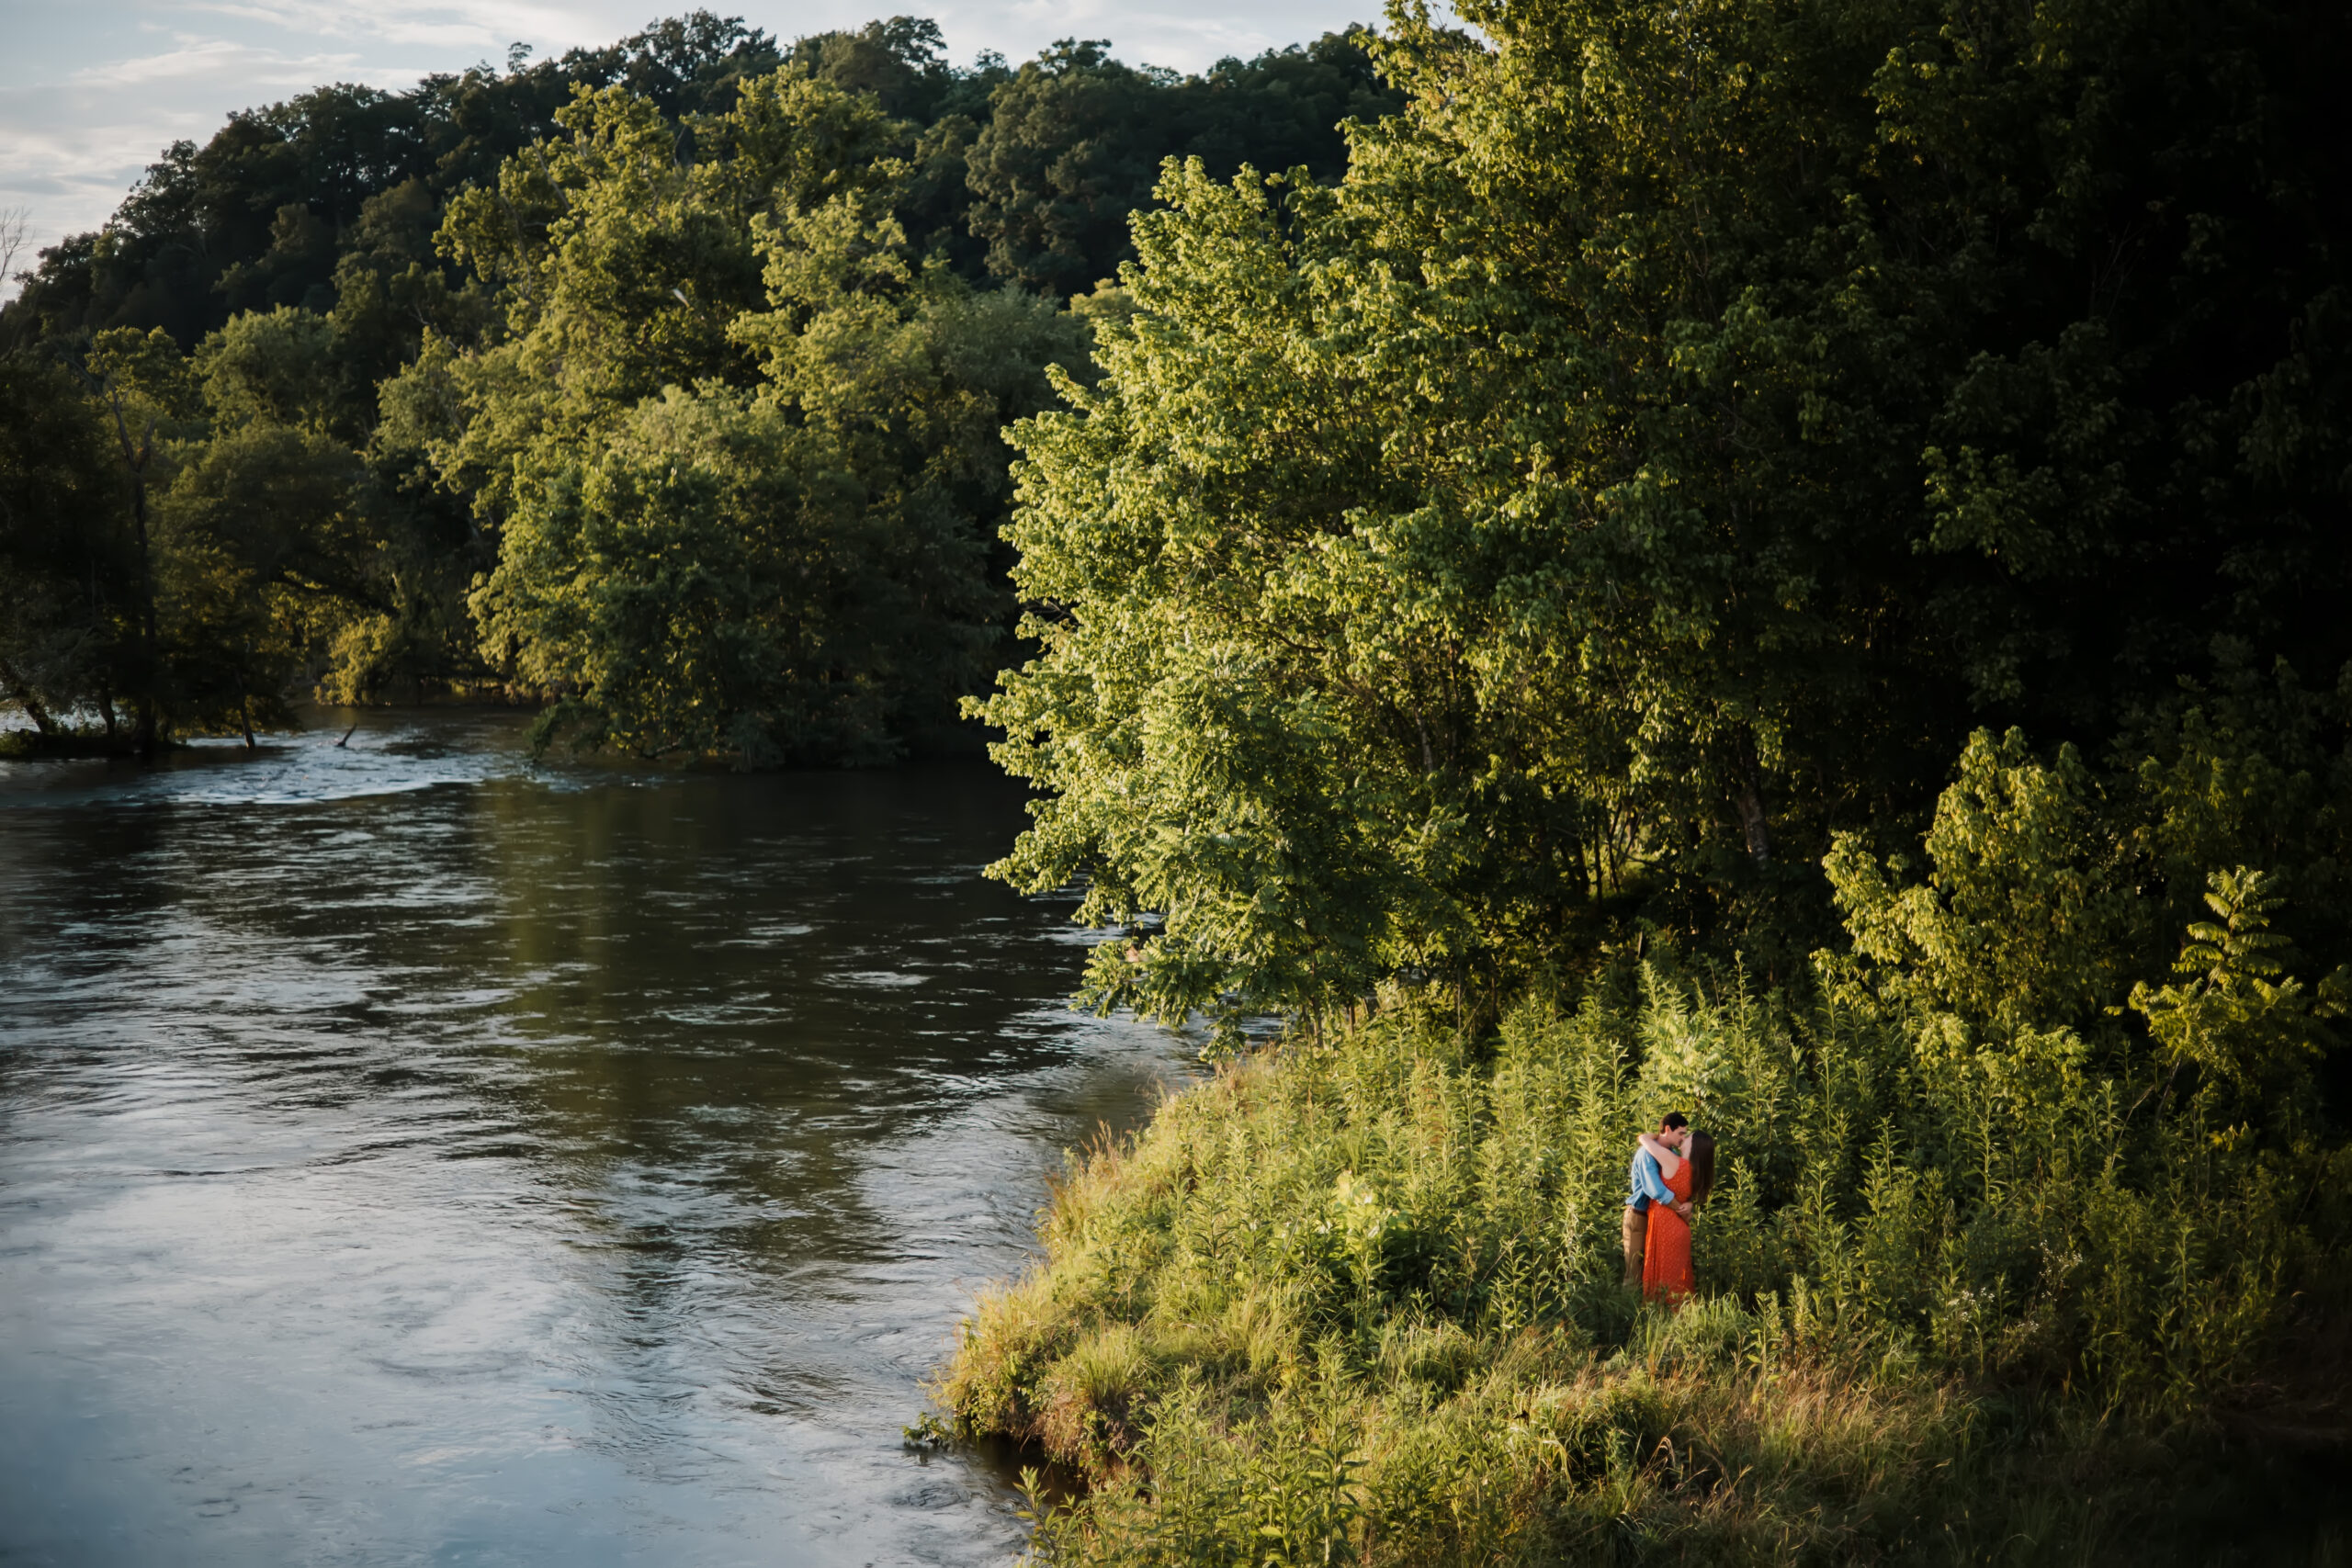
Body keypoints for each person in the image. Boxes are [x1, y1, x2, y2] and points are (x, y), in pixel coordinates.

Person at [1635, 1124, 1715, 1307]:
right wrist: (1690, 1205)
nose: (1683, 1139)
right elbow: (1687, 1196)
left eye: (1688, 1137)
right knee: (1678, 1277)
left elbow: (1645, 1140)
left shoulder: (1674, 1161)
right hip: (1681, 1228)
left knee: (1664, 1276)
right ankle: (1682, 1315)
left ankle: (1664, 1315)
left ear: (1694, 1144)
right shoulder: (1698, 1171)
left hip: (1666, 1225)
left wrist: (1661, 1134)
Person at [1622, 1112, 1690, 1288]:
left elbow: (1681, 1184)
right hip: (1639, 1215)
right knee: (1634, 1270)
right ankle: (1629, 1312)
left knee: (1652, 1271)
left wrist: (1689, 1203)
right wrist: (1681, 1211)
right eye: (1680, 1133)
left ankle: (1652, 1310)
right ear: (1668, 1129)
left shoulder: (1671, 1153)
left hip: (1659, 1220)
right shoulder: (1647, 1153)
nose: (1683, 1138)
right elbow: (1656, 1190)